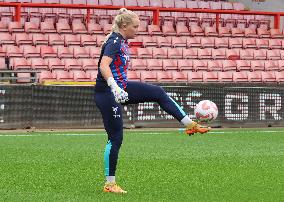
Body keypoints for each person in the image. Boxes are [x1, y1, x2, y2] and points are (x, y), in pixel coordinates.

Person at [95, 8, 211, 194]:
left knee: (158, 92)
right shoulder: (114, 41)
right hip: (107, 93)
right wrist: (114, 87)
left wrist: (119, 87)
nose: (137, 30)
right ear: (124, 26)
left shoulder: (122, 41)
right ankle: (110, 185)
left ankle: (190, 124)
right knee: (115, 138)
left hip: (120, 88)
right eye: (135, 26)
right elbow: (103, 66)